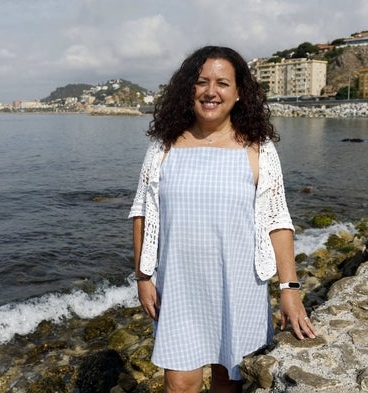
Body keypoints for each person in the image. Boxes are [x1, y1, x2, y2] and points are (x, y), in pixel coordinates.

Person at [129, 45, 317, 393]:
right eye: (201, 82)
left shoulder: (258, 148)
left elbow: (278, 220)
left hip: (240, 284)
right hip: (179, 285)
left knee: (227, 381)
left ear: (239, 92)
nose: (210, 92)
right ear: (189, 90)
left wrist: (289, 290)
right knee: (179, 384)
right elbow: (142, 212)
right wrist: (143, 277)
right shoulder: (163, 146)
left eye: (222, 83)